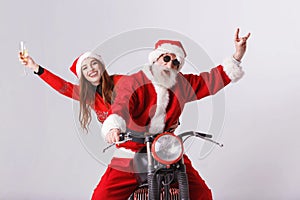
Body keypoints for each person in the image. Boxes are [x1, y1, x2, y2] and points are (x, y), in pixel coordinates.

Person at [99, 28, 251, 200]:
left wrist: (237, 56)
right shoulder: (134, 82)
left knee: (202, 194)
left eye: (176, 63)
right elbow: (121, 105)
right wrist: (113, 128)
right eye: (166, 58)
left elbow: (210, 81)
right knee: (103, 196)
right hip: (131, 150)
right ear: (156, 59)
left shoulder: (181, 84)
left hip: (166, 149)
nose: (170, 65)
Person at [18, 51, 122, 130]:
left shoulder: (120, 81)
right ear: (83, 76)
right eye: (85, 68)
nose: (91, 69)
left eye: (94, 63)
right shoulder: (87, 94)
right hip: (123, 141)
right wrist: (35, 67)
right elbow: (63, 86)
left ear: (101, 66)